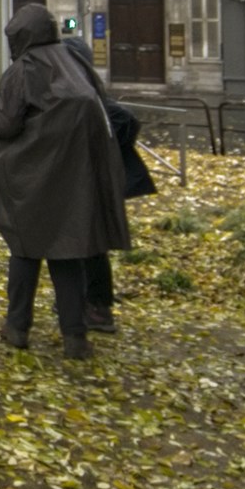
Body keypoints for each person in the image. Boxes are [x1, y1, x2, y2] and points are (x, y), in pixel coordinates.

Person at [0, 2, 129, 359]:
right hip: (75, 178)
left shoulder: (24, 69)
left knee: (25, 252)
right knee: (67, 253)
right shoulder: (77, 65)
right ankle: (75, 336)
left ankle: (17, 327)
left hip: (30, 177)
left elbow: (7, 124)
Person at [61, 29, 157, 334]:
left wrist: (105, 148)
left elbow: (127, 120)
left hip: (92, 183)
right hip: (88, 181)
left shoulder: (90, 97)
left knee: (91, 245)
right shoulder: (88, 93)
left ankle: (99, 307)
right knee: (84, 243)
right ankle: (84, 300)